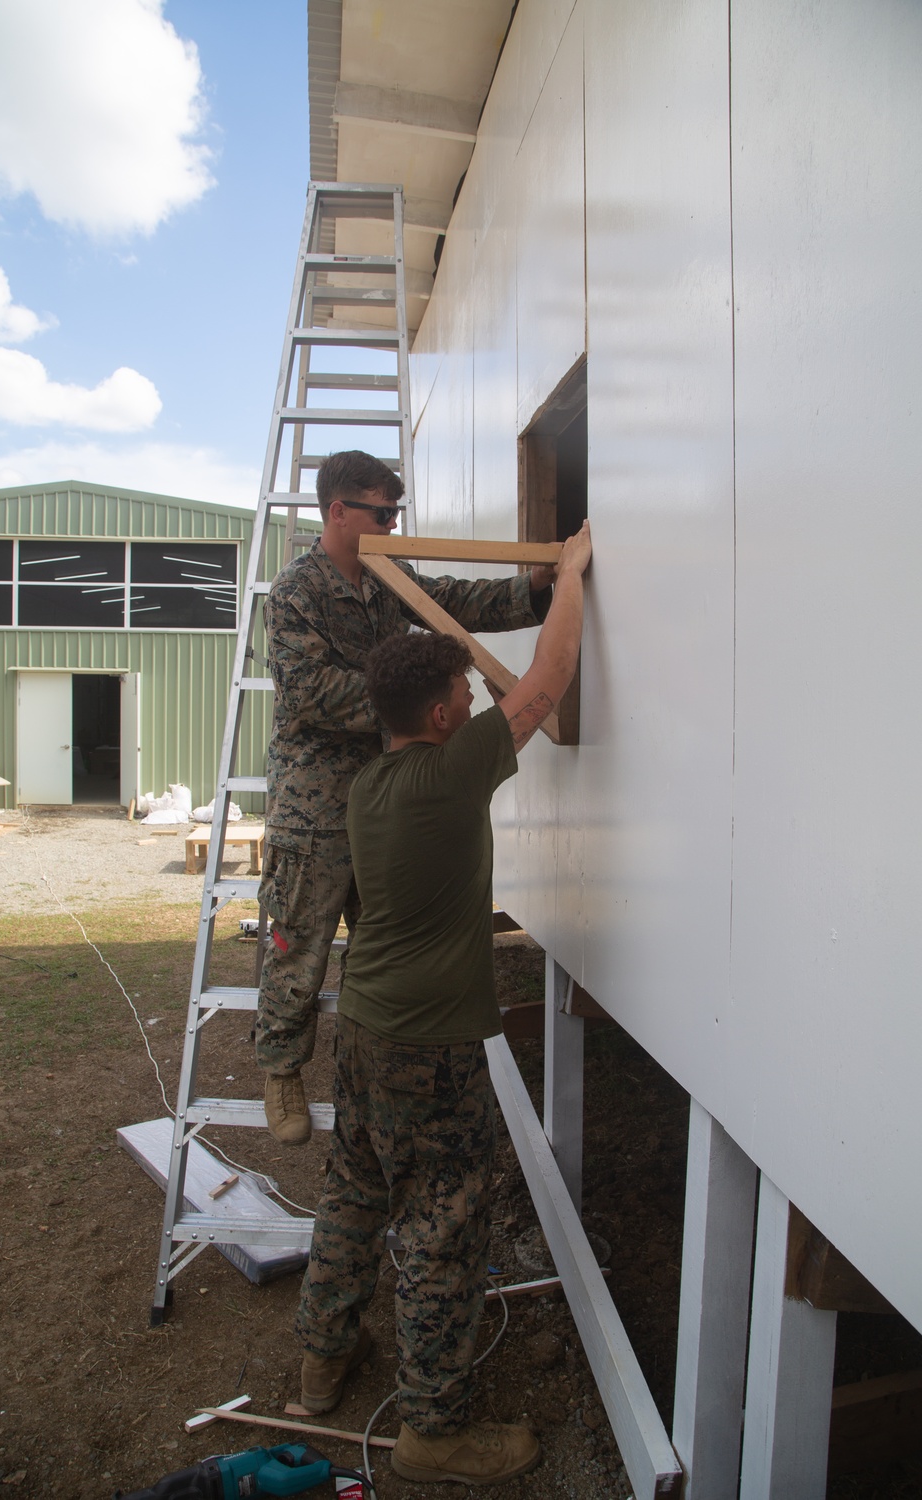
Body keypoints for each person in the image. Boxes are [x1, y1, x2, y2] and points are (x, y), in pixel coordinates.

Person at [294, 522, 592, 1486]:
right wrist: (573, 574)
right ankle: (433, 1430)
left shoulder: (373, 785)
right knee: (442, 1227)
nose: (477, 703)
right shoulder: (449, 775)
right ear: (434, 714)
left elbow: (510, 693)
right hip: (428, 1044)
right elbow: (545, 686)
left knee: (356, 1189)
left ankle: (322, 1359)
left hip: (365, 1027)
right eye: (465, 693)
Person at [257, 449, 558, 1145]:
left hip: (384, 791)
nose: (392, 524)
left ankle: (360, 1067)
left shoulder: (389, 577)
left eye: (396, 513)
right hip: (317, 800)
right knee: (298, 934)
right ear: (337, 512)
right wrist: (407, 703)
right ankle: (279, 1065)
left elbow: (453, 602)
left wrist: (536, 589)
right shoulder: (296, 592)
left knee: (379, 937)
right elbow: (309, 694)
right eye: (381, 513)